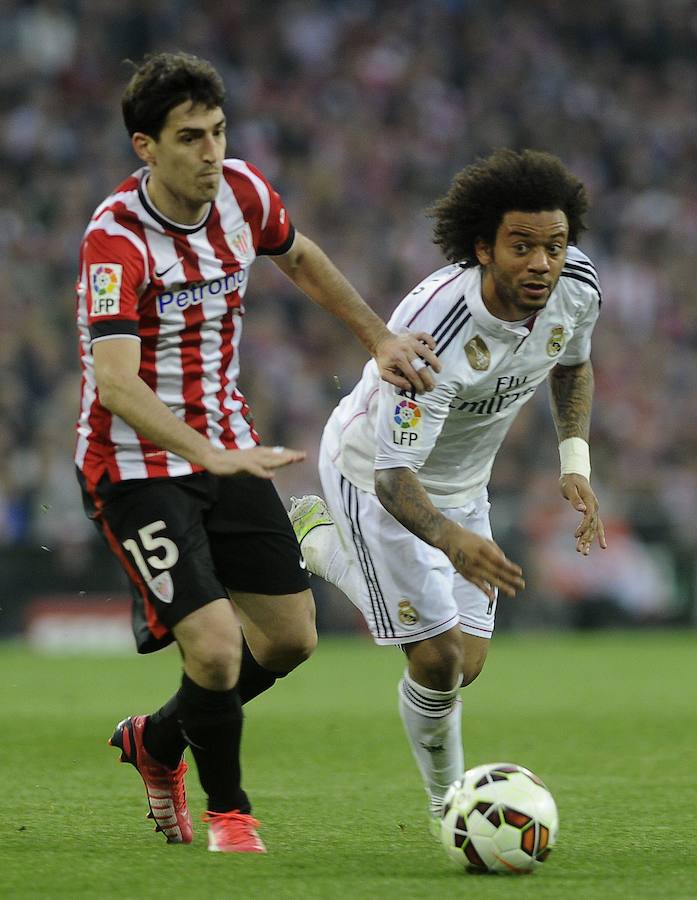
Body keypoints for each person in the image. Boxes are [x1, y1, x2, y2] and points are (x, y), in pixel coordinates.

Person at [74, 51, 440, 854]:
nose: (211, 152)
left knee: (287, 640)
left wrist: (376, 336)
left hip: (225, 451)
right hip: (138, 469)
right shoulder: (115, 239)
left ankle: (158, 740)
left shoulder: (243, 192)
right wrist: (209, 450)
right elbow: (115, 385)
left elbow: (300, 256)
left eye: (218, 131)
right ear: (146, 147)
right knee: (211, 646)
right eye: (189, 138)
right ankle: (229, 816)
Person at [290, 149, 607, 832]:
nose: (540, 264)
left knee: (468, 663)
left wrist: (573, 461)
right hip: (370, 476)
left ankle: (317, 548)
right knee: (436, 661)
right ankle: (451, 810)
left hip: (464, 486)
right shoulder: (432, 333)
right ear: (482, 249)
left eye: (553, 246)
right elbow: (392, 478)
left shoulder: (577, 286)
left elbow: (571, 367)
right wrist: (450, 541)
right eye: (520, 247)